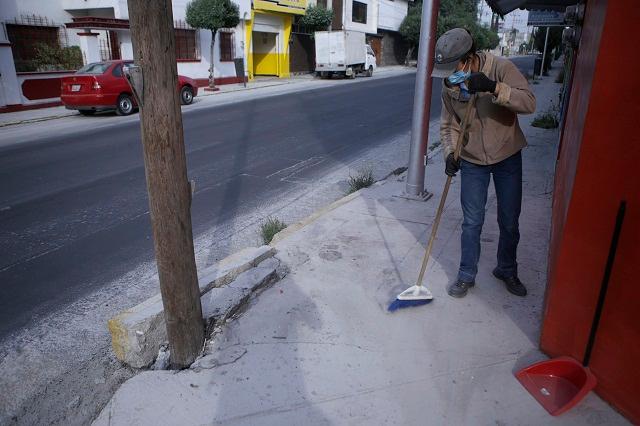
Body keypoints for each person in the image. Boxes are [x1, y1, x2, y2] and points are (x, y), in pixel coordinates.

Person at [432, 28, 536, 298]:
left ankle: (507, 269)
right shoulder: (450, 87)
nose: (448, 78)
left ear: (468, 59)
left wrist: (493, 88)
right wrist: (449, 153)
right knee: (471, 222)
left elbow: (529, 103)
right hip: (472, 160)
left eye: (452, 68)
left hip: (507, 156)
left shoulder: (501, 68)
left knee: (509, 220)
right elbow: (448, 126)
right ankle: (466, 274)